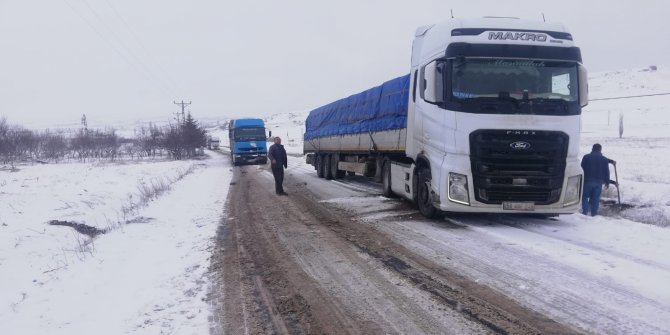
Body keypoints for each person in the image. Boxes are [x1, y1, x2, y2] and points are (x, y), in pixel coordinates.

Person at [580, 143, 614, 216]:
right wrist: (607, 182)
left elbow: (581, 169)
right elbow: (606, 171)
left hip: (587, 181)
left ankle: (584, 213)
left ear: (592, 149)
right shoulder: (604, 159)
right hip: (598, 182)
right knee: (596, 198)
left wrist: (580, 180)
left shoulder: (586, 157)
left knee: (585, 197)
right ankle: (594, 214)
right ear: (600, 150)